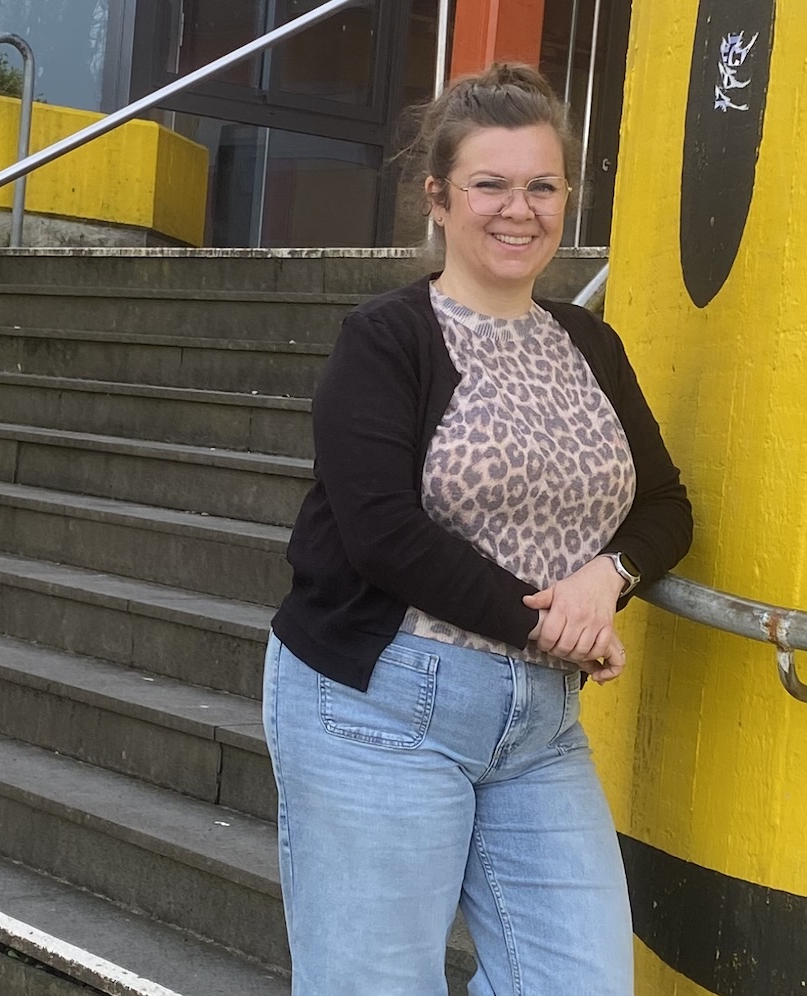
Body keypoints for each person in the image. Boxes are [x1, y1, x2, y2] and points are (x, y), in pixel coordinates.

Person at [263, 62, 693, 996]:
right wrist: (549, 625)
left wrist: (605, 580)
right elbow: (382, 532)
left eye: (543, 186)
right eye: (489, 184)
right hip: (379, 704)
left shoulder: (589, 343)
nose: (518, 210)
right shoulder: (387, 338)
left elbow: (666, 505)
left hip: (540, 728)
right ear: (439, 198)